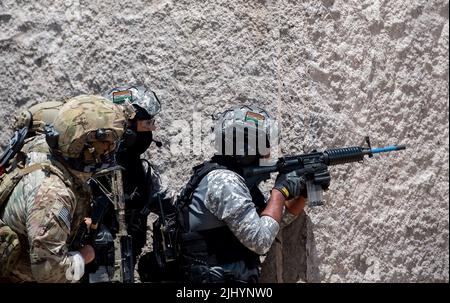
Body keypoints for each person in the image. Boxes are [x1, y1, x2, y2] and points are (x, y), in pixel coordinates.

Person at [176, 105, 331, 283]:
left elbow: (272, 223)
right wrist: (280, 192)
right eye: (264, 146)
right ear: (247, 149)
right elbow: (260, 241)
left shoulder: (237, 181)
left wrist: (303, 194)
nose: (268, 153)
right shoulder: (225, 182)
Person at [0, 95, 126, 282]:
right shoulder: (54, 195)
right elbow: (49, 273)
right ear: (87, 147)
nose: (113, 147)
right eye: (108, 142)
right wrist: (85, 256)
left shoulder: (46, 147)